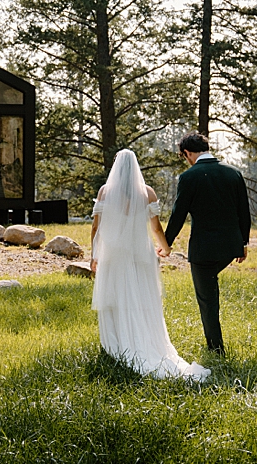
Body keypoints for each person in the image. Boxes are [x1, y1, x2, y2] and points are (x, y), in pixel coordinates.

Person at [91, 149, 210, 381]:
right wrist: (165, 248)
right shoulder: (147, 193)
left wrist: (94, 255)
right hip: (140, 253)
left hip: (113, 254)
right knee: (142, 299)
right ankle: (143, 340)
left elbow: (96, 227)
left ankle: (116, 344)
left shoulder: (105, 192)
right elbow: (155, 228)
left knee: (114, 298)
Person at [163, 132, 250, 356]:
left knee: (207, 300)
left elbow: (178, 214)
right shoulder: (233, 173)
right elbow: (244, 211)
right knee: (211, 285)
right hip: (230, 247)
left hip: (203, 251)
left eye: (185, 157)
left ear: (187, 153)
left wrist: (167, 243)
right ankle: (215, 346)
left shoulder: (189, 177)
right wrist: (243, 243)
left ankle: (216, 350)